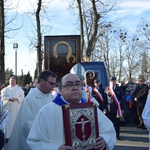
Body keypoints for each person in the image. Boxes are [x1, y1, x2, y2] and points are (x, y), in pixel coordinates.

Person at [26, 73, 116, 150]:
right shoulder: (46, 112)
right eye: (69, 85)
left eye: (78, 84)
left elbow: (108, 131)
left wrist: (104, 141)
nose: (74, 87)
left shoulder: (92, 109)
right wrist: (55, 148)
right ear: (60, 90)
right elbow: (34, 141)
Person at [5, 70, 57, 150]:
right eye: (51, 83)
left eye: (54, 84)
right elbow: (27, 123)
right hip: (38, 140)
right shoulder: (30, 99)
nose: (53, 86)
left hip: (50, 138)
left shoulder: (51, 97)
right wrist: (45, 132)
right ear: (42, 81)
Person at [1, 76, 25, 142]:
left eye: (13, 81)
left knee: (15, 123)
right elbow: (2, 97)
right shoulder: (5, 89)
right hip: (8, 109)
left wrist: (17, 99)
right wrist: (9, 99)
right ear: (9, 81)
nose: (12, 82)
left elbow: (22, 97)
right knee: (8, 123)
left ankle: (16, 136)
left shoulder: (19, 89)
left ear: (15, 82)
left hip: (16, 109)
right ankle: (7, 137)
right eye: (11, 81)